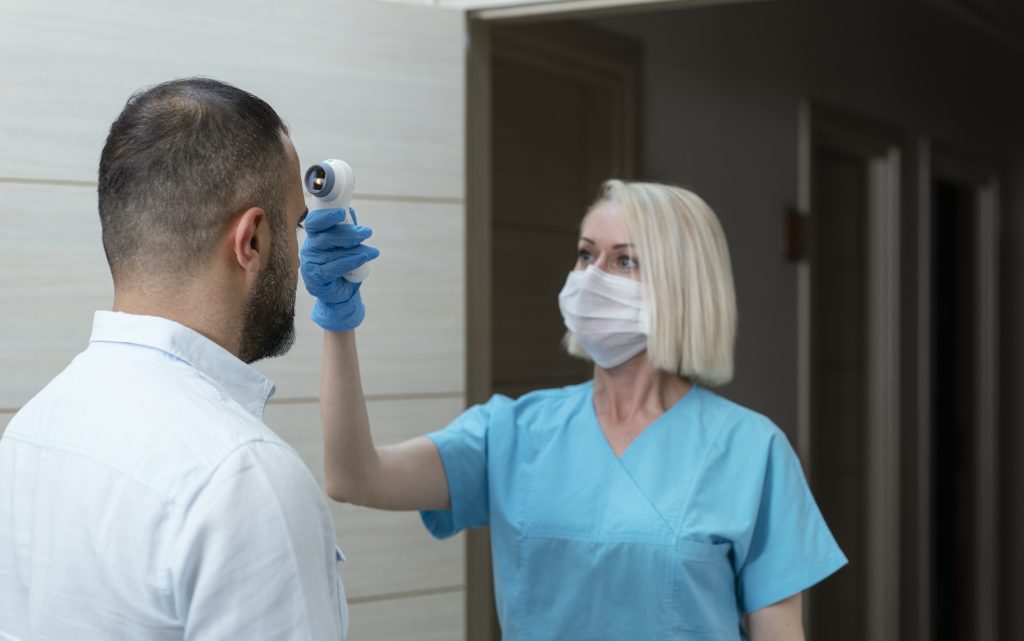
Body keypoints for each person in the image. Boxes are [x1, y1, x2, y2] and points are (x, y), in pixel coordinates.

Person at [302, 178, 848, 640]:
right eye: (586, 254)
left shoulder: (751, 452)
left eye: (624, 260)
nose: (591, 277)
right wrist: (337, 323)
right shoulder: (513, 432)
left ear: (681, 286)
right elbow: (355, 476)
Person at [0, 78, 376, 640]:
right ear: (251, 240)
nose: (303, 252)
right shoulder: (242, 478)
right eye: (296, 225)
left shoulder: (30, 433)